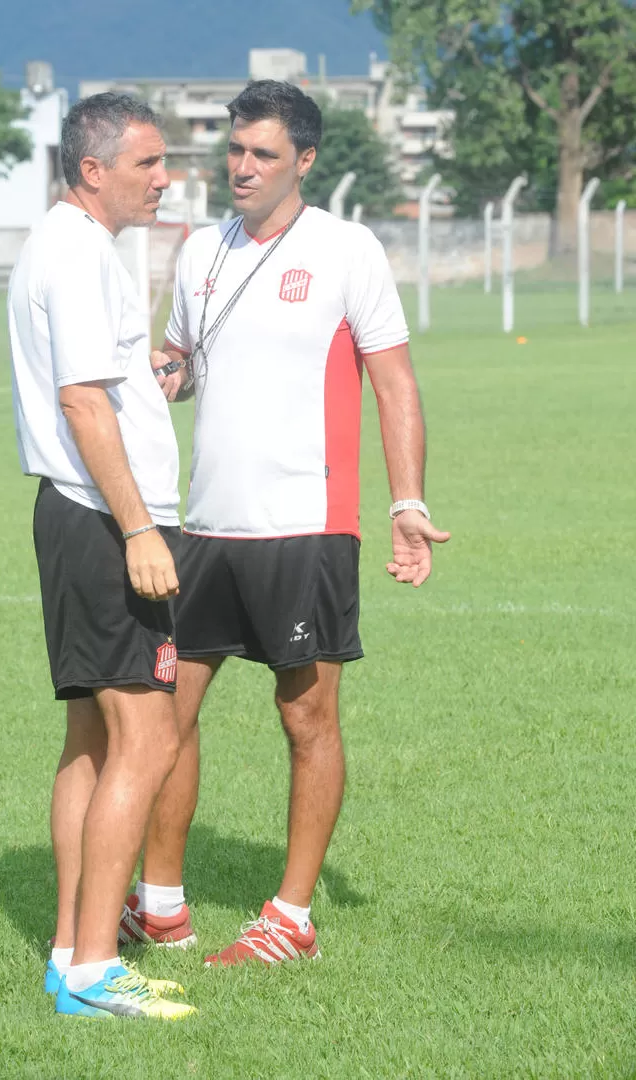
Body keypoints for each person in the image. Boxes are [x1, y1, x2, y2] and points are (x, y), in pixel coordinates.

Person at [119, 80, 450, 966]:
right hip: (204, 529)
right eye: (234, 150)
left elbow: (395, 384)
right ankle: (161, 907)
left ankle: (290, 920)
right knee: (163, 715)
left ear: (304, 159)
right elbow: (189, 365)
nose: (242, 167)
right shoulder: (197, 253)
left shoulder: (349, 250)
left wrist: (406, 504)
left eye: (263, 153)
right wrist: (162, 373)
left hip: (306, 525)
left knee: (306, 721)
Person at [7, 92, 196, 1019]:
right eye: (148, 164)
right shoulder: (77, 254)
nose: (165, 180)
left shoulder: (68, 245)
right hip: (102, 522)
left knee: (90, 741)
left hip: (76, 515)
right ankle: (91, 970)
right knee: (148, 736)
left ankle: (66, 954)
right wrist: (139, 529)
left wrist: (152, 390)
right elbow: (82, 405)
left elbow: (101, 389)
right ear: (93, 170)